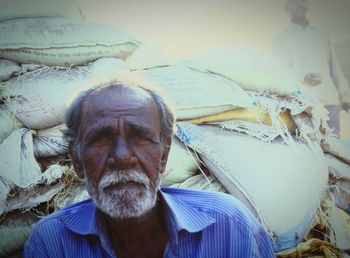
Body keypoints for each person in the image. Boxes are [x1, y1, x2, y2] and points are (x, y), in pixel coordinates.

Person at [24, 81, 275, 258]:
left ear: (164, 155)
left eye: (140, 137)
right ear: (77, 160)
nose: (122, 157)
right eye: (101, 138)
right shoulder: (52, 242)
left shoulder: (229, 225)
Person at [273, 0, 350, 136]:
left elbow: (335, 67)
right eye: (295, 2)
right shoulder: (281, 38)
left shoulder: (321, 34)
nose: (299, 5)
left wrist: (345, 97)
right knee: (311, 145)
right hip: (304, 104)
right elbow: (281, 71)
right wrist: (303, 77)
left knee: (335, 147)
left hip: (330, 101)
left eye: (302, 1)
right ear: (288, 6)